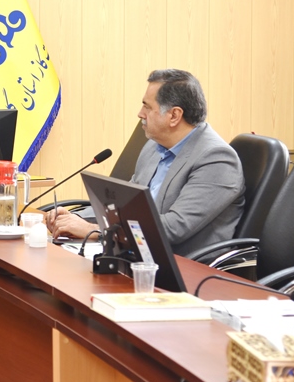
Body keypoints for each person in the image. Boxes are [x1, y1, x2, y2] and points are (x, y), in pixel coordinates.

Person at [48, 69, 245, 257]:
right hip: (138, 253)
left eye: (147, 107)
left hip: (182, 265)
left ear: (174, 116)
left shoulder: (216, 160)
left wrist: (94, 230)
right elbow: (123, 206)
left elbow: (173, 228)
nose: (140, 113)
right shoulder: (154, 146)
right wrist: (74, 218)